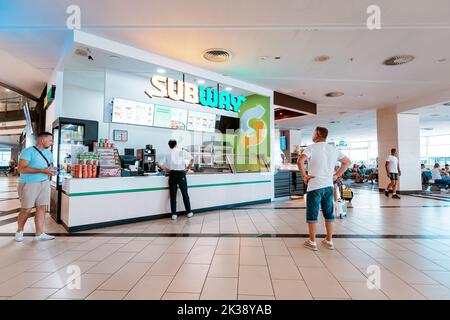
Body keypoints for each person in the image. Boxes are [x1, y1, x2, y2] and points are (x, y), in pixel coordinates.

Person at [297, 127, 351, 251]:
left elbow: (300, 161)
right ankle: (329, 240)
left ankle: (312, 241)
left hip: (315, 186)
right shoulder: (333, 149)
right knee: (329, 213)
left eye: (313, 133)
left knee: (313, 213)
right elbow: (347, 162)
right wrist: (336, 175)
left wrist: (304, 176)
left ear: (318, 134)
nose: (312, 135)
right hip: (328, 186)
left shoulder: (311, 147)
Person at [15, 132, 56, 242]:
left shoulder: (49, 153)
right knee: (26, 209)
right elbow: (21, 169)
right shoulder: (28, 151)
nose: (52, 143)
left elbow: (50, 167)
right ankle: (19, 231)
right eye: (50, 140)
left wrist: (52, 171)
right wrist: (42, 170)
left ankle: (40, 233)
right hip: (29, 184)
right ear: (42, 140)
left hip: (44, 182)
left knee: (42, 208)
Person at [158, 139, 194, 220]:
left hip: (172, 174)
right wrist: (188, 168)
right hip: (181, 174)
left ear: (170, 146)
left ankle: (174, 214)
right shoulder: (182, 151)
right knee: (185, 194)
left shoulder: (167, 153)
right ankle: (189, 212)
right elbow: (192, 159)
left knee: (172, 195)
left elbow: (159, 164)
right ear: (176, 144)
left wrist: (167, 170)